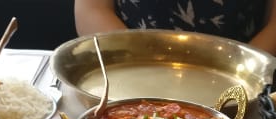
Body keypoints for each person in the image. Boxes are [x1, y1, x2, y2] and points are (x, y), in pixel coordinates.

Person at [74, 0, 276, 55]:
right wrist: (144, 63)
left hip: (241, 87)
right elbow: (92, 9)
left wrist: (241, 73)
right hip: (130, 69)